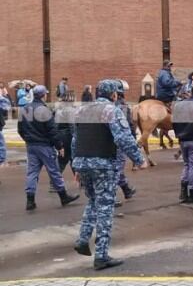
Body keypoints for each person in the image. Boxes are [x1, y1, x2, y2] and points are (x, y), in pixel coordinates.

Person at [73, 79, 147, 270]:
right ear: (114, 94)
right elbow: (123, 138)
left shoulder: (82, 110)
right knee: (105, 207)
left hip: (83, 163)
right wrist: (139, 159)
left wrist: (76, 167)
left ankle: (82, 239)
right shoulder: (112, 111)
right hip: (104, 164)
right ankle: (101, 256)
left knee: (92, 201)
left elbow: (75, 140)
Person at [17, 85, 80, 211]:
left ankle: (30, 200)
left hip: (31, 146)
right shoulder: (44, 110)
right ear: (43, 95)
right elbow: (52, 131)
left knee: (32, 172)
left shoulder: (25, 109)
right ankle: (63, 196)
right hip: (44, 145)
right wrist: (59, 146)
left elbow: (20, 129)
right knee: (54, 170)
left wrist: (28, 140)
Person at [113, 80, 137, 207]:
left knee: (117, 168)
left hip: (105, 144)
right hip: (118, 143)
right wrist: (133, 140)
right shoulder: (123, 107)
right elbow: (128, 126)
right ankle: (112, 196)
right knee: (117, 168)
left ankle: (126, 189)